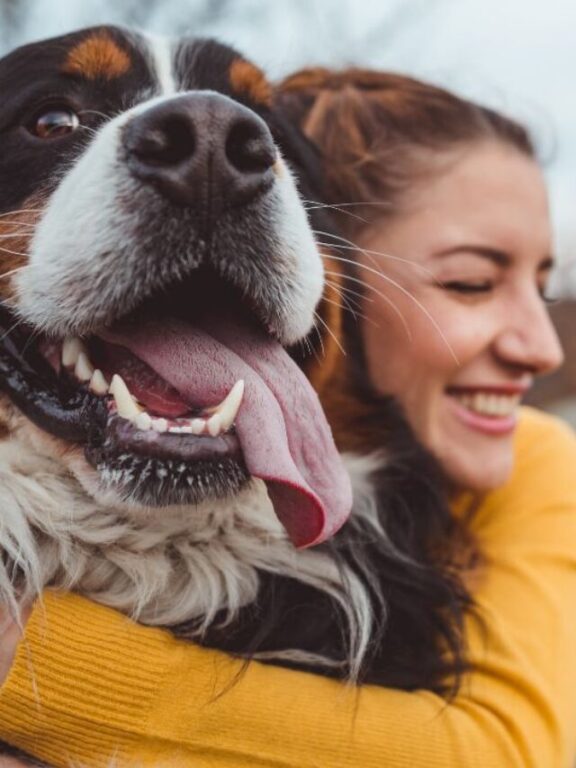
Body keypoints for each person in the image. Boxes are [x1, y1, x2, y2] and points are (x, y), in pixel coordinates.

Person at [1, 69, 576, 768]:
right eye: (470, 284)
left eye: (540, 288)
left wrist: (29, 661)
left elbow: (505, 752)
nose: (541, 348)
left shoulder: (541, 460)